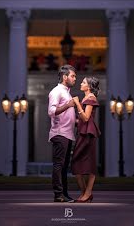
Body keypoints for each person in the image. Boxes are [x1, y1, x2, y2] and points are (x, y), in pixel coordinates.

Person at [48, 64, 77, 202]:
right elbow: (51, 112)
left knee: (64, 167)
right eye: (72, 76)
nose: (75, 78)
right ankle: (58, 194)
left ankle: (64, 194)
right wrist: (68, 105)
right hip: (60, 134)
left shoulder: (67, 92)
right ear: (65, 77)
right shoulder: (56, 91)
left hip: (68, 134)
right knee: (59, 165)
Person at [71, 76, 101, 203]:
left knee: (89, 163)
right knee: (76, 163)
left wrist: (77, 103)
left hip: (88, 133)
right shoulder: (86, 98)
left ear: (88, 86)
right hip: (83, 132)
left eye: (83, 82)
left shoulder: (90, 98)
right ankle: (85, 193)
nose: (81, 83)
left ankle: (87, 193)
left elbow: (86, 118)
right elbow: (82, 119)